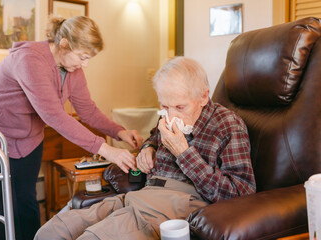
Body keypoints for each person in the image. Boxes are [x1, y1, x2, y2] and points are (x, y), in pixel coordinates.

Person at [0, 16, 143, 240]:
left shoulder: (72, 69)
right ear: (64, 44)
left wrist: (119, 132)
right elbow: (55, 116)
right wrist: (107, 150)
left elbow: (87, 110)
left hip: (25, 138)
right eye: (83, 57)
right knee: (1, 204)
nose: (85, 64)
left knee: (25, 201)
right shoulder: (29, 60)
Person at [34, 57, 256, 240]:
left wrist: (184, 154)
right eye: (165, 107)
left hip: (180, 203)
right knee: (51, 232)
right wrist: (147, 150)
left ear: (204, 96)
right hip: (141, 195)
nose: (171, 116)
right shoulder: (169, 118)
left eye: (180, 107)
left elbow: (241, 193)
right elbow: (154, 136)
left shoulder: (228, 125)